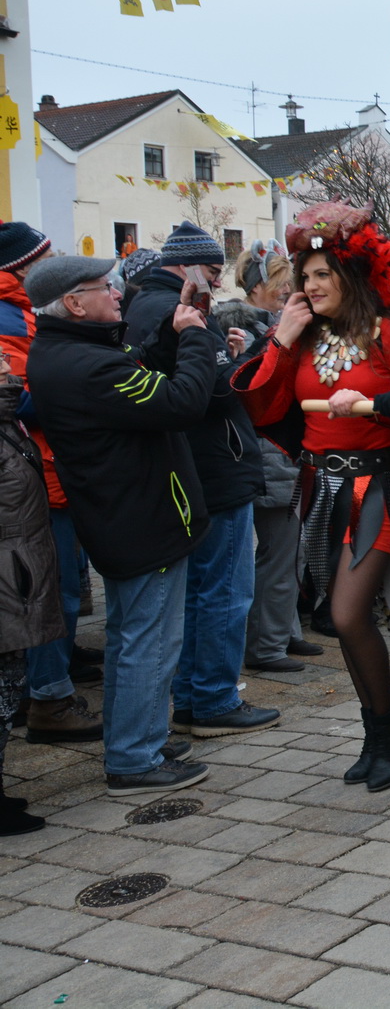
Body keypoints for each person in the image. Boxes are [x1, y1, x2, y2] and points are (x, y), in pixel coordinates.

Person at [236, 202, 390, 793]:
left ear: (351, 275)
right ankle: (374, 736)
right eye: (305, 276)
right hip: (319, 490)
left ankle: (388, 732)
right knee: (339, 618)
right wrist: (281, 340)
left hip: (379, 486)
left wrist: (374, 407)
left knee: (350, 615)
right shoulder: (302, 338)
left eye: (323, 273)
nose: (311, 284)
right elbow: (261, 410)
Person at [26, 254, 219, 796]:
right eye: (104, 287)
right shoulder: (86, 365)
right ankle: (134, 758)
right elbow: (181, 402)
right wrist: (195, 337)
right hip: (140, 519)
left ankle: (139, 738)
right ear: (73, 303)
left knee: (134, 636)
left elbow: (139, 370)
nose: (117, 293)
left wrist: (173, 329)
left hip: (128, 515)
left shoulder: (71, 351)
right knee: (148, 641)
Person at [124, 223, 278, 738]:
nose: (217, 280)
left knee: (201, 591)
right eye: (212, 270)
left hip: (194, 465)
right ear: (185, 266)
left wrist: (225, 356)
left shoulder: (157, 304)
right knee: (223, 590)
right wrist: (253, 356)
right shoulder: (172, 308)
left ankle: (195, 698)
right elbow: (211, 391)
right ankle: (213, 698)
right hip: (213, 466)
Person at [0, 222, 103, 745]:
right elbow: (18, 398)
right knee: (45, 589)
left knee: (55, 586)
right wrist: (76, 388)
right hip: (35, 472)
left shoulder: (22, 310)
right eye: (44, 255)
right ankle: (48, 697)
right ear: (22, 266)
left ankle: (48, 677)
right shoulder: (8, 316)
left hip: (49, 466)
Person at [224, 245, 326, 673]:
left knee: (290, 553)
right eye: (282, 287)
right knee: (277, 555)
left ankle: (284, 632)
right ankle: (267, 645)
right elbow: (254, 397)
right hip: (270, 457)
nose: (289, 294)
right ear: (256, 288)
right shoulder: (249, 333)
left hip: (285, 458)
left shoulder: (273, 327)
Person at [0, 339, 62, 834]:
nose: (7, 364)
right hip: (6, 573)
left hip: (15, 569)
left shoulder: (7, 419)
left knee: (7, 686)